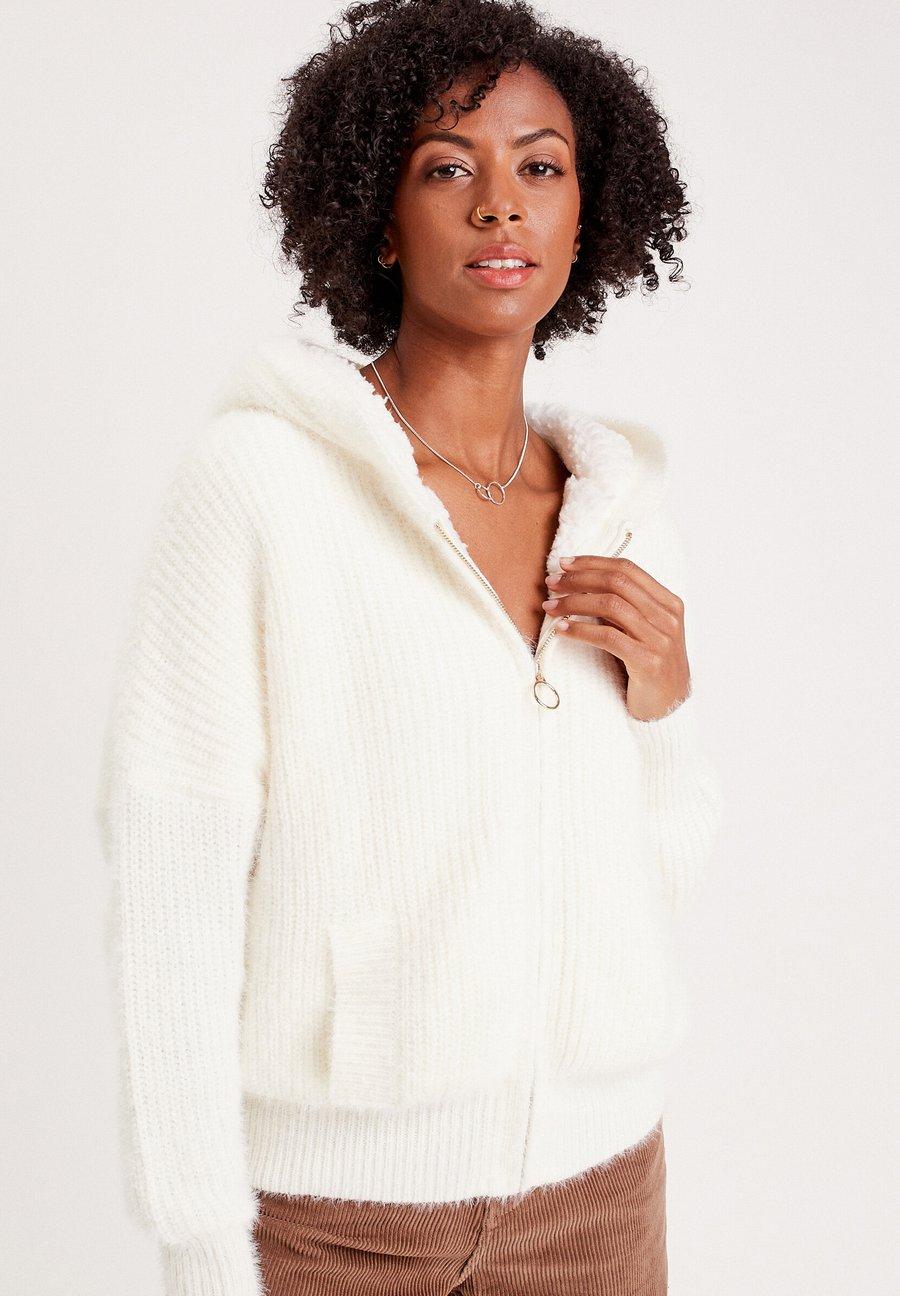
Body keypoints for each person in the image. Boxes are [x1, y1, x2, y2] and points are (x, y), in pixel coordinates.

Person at [96, 2, 725, 1293]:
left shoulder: (618, 510)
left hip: (599, 1196)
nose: (501, 205)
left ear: (586, 217)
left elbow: (654, 873)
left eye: (540, 167)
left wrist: (664, 709)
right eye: (448, 168)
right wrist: (202, 1239)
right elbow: (175, 866)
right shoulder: (260, 482)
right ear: (378, 219)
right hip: (335, 1223)